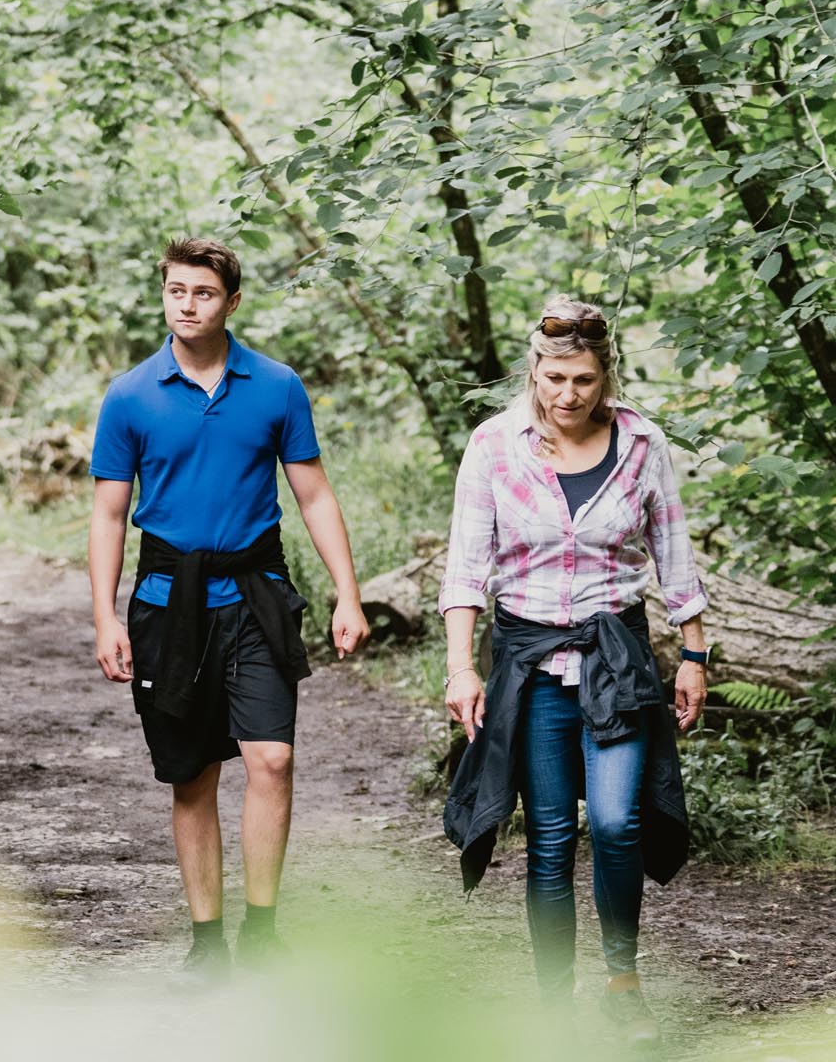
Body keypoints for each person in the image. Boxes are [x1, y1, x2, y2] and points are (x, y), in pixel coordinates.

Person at [88, 237, 370, 974]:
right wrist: (104, 616)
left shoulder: (275, 386)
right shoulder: (130, 395)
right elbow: (109, 515)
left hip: (257, 596)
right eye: (176, 290)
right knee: (194, 779)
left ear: (232, 302)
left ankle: (263, 930)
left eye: (203, 293)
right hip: (165, 601)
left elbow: (312, 492)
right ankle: (207, 941)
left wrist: (348, 592)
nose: (187, 304)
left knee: (271, 760)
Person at [440, 298, 709, 1042]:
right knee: (552, 835)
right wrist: (462, 667)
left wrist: (693, 652)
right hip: (526, 660)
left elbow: (674, 553)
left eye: (584, 379)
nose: (568, 394)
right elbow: (465, 570)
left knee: (619, 821)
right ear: (534, 371)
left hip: (615, 657)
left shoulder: (642, 444)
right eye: (554, 377)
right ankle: (553, 1006)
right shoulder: (494, 446)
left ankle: (624, 985)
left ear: (605, 376)